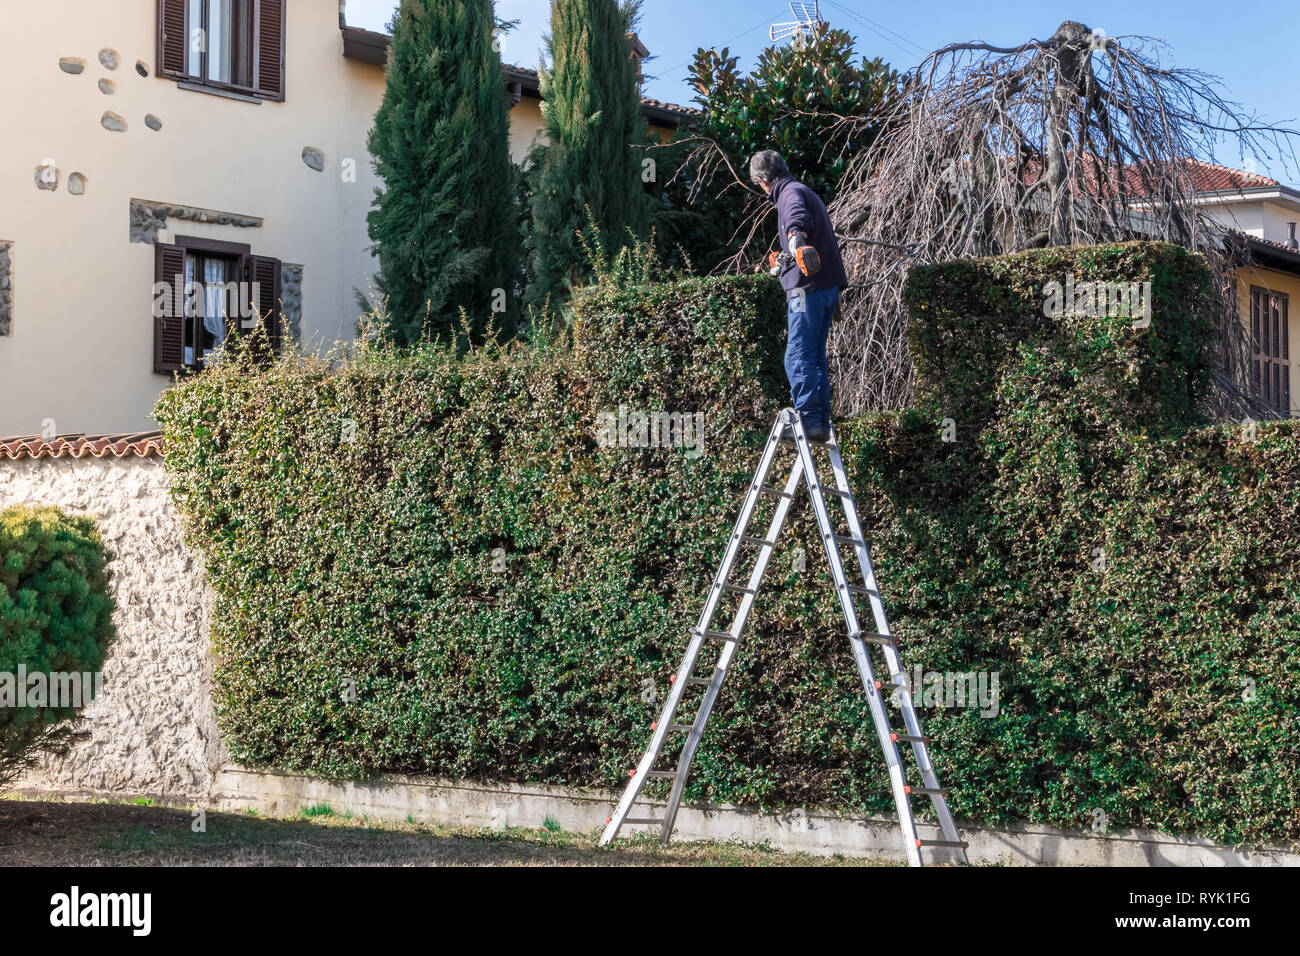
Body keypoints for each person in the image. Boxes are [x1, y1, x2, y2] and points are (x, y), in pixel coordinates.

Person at [750, 150, 848, 442]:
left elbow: (797, 220)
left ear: (763, 180)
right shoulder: (803, 189)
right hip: (825, 289)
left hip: (807, 290)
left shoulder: (789, 194)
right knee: (815, 356)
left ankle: (806, 420)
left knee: (798, 355)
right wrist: (785, 259)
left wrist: (795, 240)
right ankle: (818, 421)